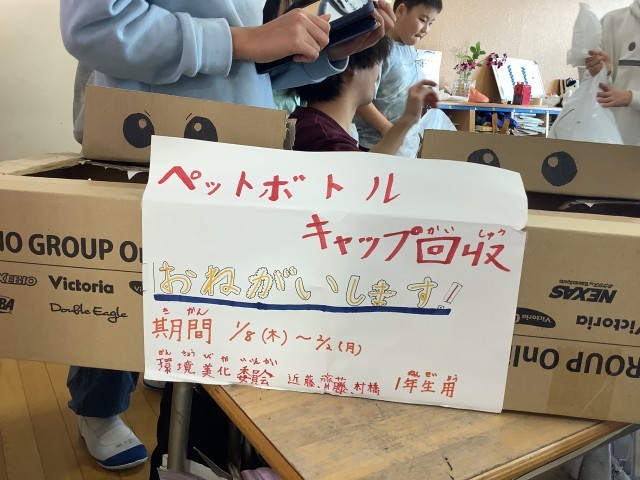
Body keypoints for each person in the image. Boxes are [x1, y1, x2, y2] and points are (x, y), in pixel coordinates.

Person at [60, 0, 394, 470]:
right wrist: (244, 40)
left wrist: (321, 52)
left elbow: (247, 64)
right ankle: (99, 406)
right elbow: (92, 26)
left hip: (231, 144)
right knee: (127, 275)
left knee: (189, 279)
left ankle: (165, 365)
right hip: (147, 132)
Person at [289, 36, 439, 154]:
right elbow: (362, 171)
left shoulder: (311, 124)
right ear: (352, 67)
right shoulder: (329, 143)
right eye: (378, 62)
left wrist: (408, 119)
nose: (378, 72)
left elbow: (366, 164)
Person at [354, 0, 442, 152]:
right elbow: (360, 100)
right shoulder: (377, 48)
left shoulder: (410, 49)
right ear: (401, 11)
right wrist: (387, 129)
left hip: (405, 144)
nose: (426, 29)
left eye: (431, 23)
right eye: (422, 20)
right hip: (376, 145)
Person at [585, 0, 640, 146]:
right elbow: (591, 88)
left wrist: (631, 97)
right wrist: (604, 71)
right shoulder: (611, 21)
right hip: (614, 141)